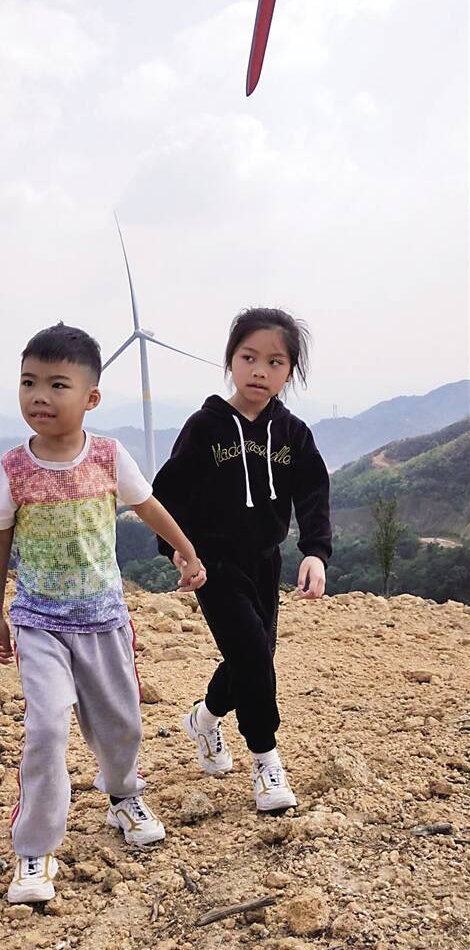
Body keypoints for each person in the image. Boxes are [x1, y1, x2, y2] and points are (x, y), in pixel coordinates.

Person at [0, 322, 206, 904]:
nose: (40, 396)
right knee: (47, 726)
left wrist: (185, 550)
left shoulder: (108, 455)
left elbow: (147, 505)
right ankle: (34, 849)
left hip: (104, 620)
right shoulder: (13, 468)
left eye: (58, 385)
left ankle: (123, 794)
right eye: (29, 382)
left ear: (92, 397)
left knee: (120, 724)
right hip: (39, 622)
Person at [153, 307, 331, 814]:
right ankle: (266, 760)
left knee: (253, 657)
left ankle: (204, 719)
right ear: (230, 360)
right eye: (249, 357)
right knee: (252, 652)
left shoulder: (293, 433)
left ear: (289, 372)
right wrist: (178, 551)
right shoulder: (204, 427)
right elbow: (168, 494)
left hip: (266, 562)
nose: (260, 371)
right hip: (213, 564)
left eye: (275, 362)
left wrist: (315, 552)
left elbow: (313, 493)